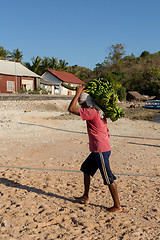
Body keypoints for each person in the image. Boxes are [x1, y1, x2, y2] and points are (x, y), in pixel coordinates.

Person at [68, 86, 122, 213]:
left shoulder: (91, 112)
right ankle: (85, 197)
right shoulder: (98, 111)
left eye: (82, 104)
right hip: (99, 148)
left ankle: (117, 206)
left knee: (108, 178)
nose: (81, 107)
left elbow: (70, 109)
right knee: (86, 168)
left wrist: (77, 93)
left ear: (87, 103)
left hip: (101, 150)